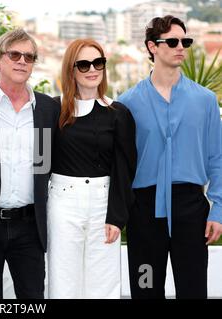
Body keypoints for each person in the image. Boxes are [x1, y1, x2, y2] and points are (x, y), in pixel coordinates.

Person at [119, 15, 222, 299]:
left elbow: (218, 156)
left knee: (193, 291)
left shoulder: (204, 100)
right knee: (145, 289)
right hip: (143, 212)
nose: (181, 47)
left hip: (190, 210)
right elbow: (122, 163)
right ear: (152, 46)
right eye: (173, 41)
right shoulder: (127, 103)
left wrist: (218, 208)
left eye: (185, 41)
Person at [0, 29, 60, 299]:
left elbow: (53, 162)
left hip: (30, 227)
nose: (22, 61)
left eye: (29, 57)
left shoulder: (47, 108)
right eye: (15, 54)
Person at [47, 39, 137, 299]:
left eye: (98, 63)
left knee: (104, 283)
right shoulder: (54, 109)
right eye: (83, 64)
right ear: (71, 69)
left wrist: (116, 216)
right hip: (62, 203)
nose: (91, 69)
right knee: (63, 281)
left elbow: (124, 169)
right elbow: (39, 162)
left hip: (102, 203)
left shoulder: (118, 113)